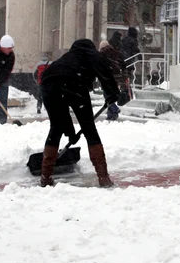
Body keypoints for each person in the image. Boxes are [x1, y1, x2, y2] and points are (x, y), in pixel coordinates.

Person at [40, 39, 120, 188]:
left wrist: (70, 133)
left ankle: (45, 177)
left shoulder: (67, 58)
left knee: (56, 127)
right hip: (75, 83)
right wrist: (113, 93)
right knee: (89, 129)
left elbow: (62, 114)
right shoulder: (91, 53)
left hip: (48, 84)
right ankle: (103, 178)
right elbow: (105, 72)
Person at [99, 40, 130, 121]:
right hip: (117, 77)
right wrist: (124, 75)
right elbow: (123, 65)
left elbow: (100, 66)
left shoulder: (102, 54)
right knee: (111, 95)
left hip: (108, 78)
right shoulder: (116, 53)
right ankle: (112, 114)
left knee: (107, 95)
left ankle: (114, 108)